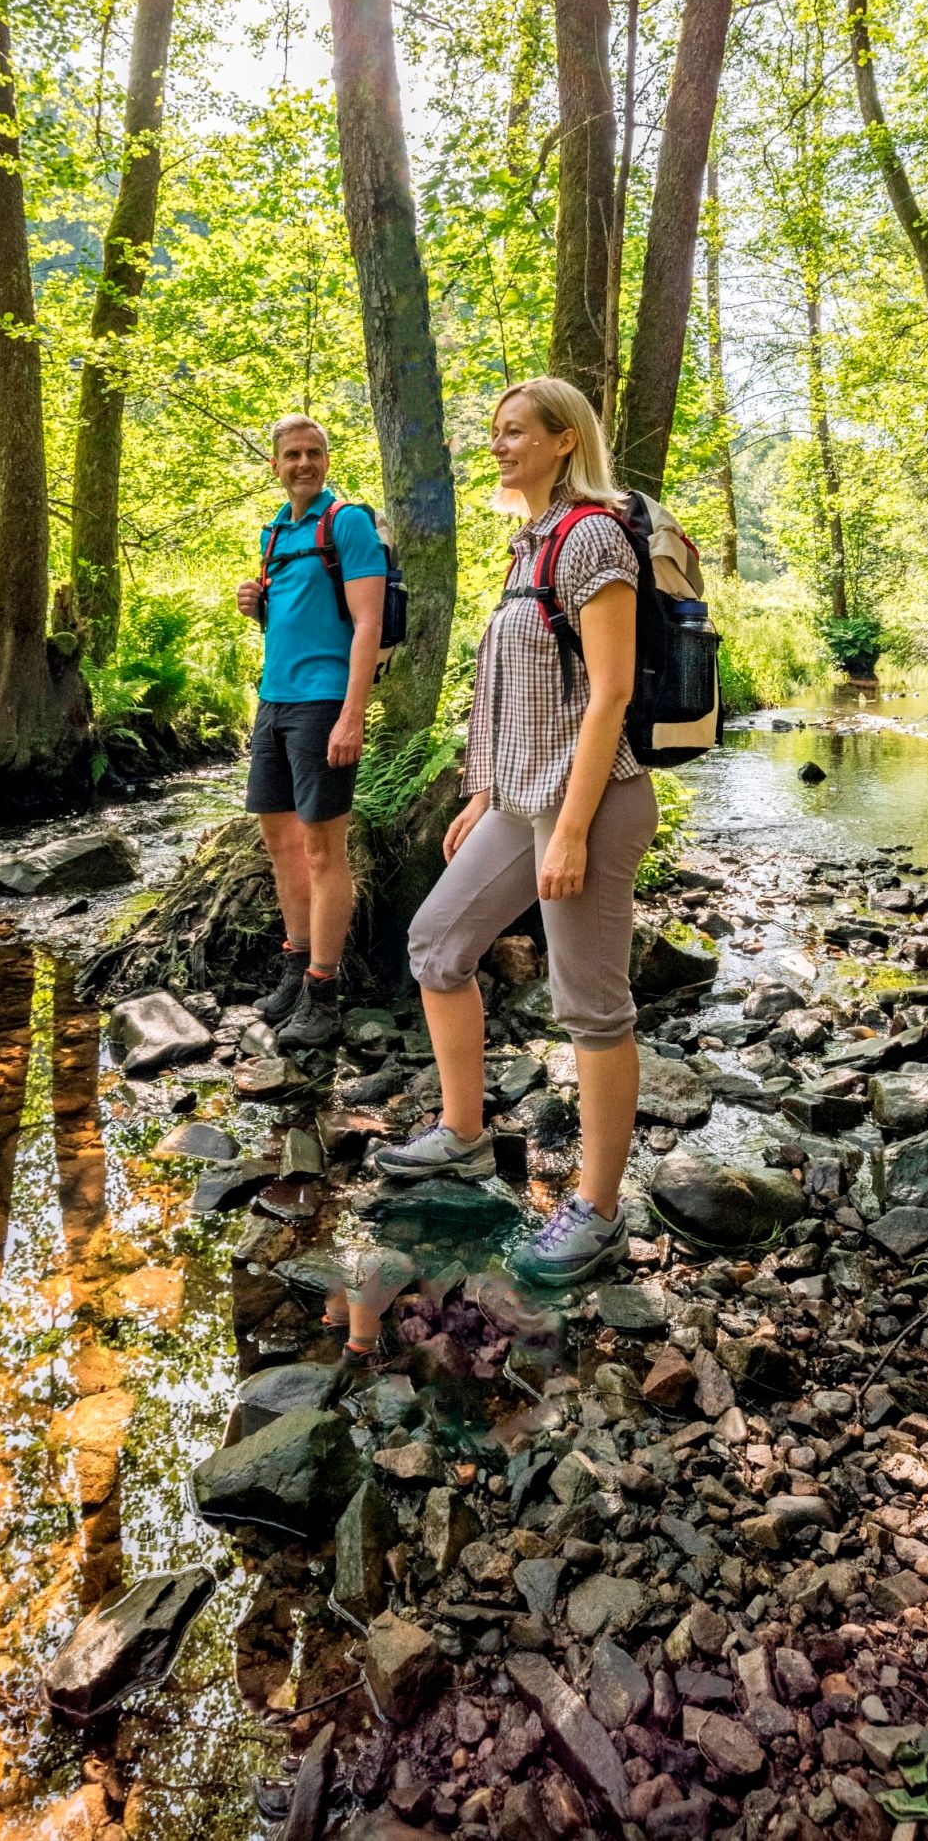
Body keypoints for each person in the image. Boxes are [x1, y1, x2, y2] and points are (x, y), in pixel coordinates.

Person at [374, 376, 657, 1288]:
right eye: (493, 433)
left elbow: (609, 691)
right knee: (437, 944)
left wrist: (568, 831)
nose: (497, 446)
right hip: (518, 799)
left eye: (513, 432)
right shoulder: (524, 548)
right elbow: (511, 696)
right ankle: (462, 1133)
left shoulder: (592, 537)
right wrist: (481, 792)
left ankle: (598, 1212)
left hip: (594, 802)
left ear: (564, 441)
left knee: (589, 1006)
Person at [235, 414, 386, 1051]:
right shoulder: (275, 532)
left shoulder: (346, 522)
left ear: (326, 459)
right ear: (276, 465)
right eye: (292, 454)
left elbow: (368, 626)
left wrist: (353, 714)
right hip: (273, 704)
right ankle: (295, 970)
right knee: (281, 844)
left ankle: (323, 992)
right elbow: (292, 622)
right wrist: (257, 605)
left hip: (324, 706)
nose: (304, 463)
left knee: (324, 850)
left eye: (314, 453)